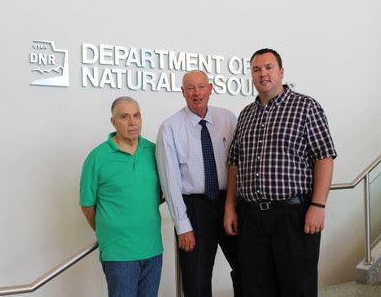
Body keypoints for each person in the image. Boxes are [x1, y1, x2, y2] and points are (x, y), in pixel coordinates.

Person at [224, 48, 337, 297]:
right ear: (251, 76)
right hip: (251, 218)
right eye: (256, 69)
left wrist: (318, 205)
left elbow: (324, 157)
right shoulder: (245, 115)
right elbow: (235, 163)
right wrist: (230, 206)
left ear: (281, 72)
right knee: (256, 288)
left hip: (293, 216)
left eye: (268, 67)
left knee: (297, 288)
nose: (263, 73)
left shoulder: (305, 107)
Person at [156, 70, 242, 297]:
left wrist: (233, 205)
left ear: (210, 89)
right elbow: (170, 180)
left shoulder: (228, 119)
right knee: (196, 280)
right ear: (183, 92)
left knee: (247, 269)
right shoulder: (170, 127)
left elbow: (240, 163)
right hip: (194, 208)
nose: (197, 93)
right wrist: (182, 225)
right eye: (190, 88)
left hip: (229, 203)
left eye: (201, 87)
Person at [80, 96, 163, 297]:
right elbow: (87, 204)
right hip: (119, 254)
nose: (132, 122)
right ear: (113, 121)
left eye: (136, 115)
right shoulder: (97, 157)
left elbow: (163, 193)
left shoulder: (154, 151)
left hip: (153, 250)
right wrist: (107, 231)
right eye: (125, 117)